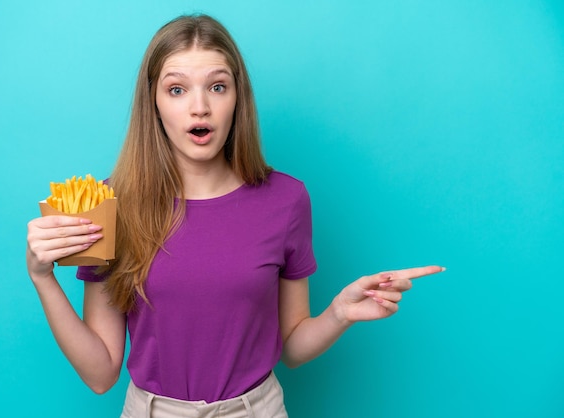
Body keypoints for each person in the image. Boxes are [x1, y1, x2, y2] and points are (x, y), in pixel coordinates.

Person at [26, 14, 444, 418]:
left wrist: (339, 313)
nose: (200, 107)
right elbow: (101, 375)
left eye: (218, 87)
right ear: (153, 102)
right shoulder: (110, 202)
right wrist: (43, 278)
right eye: (177, 90)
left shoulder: (286, 199)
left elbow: (292, 347)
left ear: (237, 98)